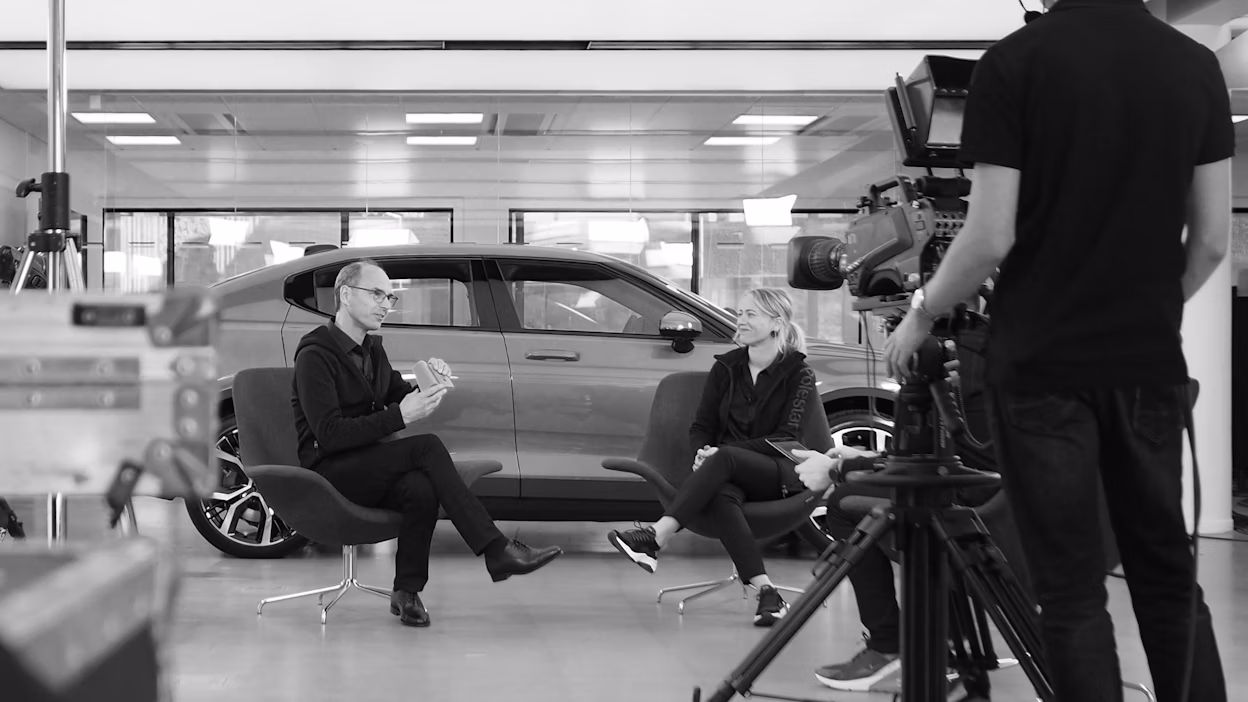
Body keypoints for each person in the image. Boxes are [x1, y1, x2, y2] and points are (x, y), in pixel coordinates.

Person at [881, 1, 1233, 700]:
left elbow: (989, 239)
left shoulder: (1014, 64)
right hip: (1147, 364)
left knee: (1072, 593)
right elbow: (1215, 240)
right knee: (1167, 578)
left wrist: (920, 313)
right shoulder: (1195, 65)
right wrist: (1147, 314)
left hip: (1042, 364)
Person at [292, 259, 562, 628]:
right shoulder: (315, 355)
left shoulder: (372, 350)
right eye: (376, 294)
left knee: (420, 488)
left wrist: (428, 382)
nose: (386, 304)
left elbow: (397, 394)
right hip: (328, 472)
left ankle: (406, 591)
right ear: (345, 295)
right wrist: (400, 416)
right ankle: (496, 550)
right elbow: (330, 434)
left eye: (390, 297)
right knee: (427, 447)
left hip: (367, 465)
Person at [606, 287, 818, 627]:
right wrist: (703, 451)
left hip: (777, 472)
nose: (741, 320)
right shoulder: (726, 368)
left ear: (776, 324)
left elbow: (786, 438)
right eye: (741, 313)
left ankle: (657, 536)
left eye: (752, 314)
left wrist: (723, 454)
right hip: (726, 472)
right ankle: (767, 592)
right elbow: (702, 426)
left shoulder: (799, 374)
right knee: (720, 494)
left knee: (726, 461)